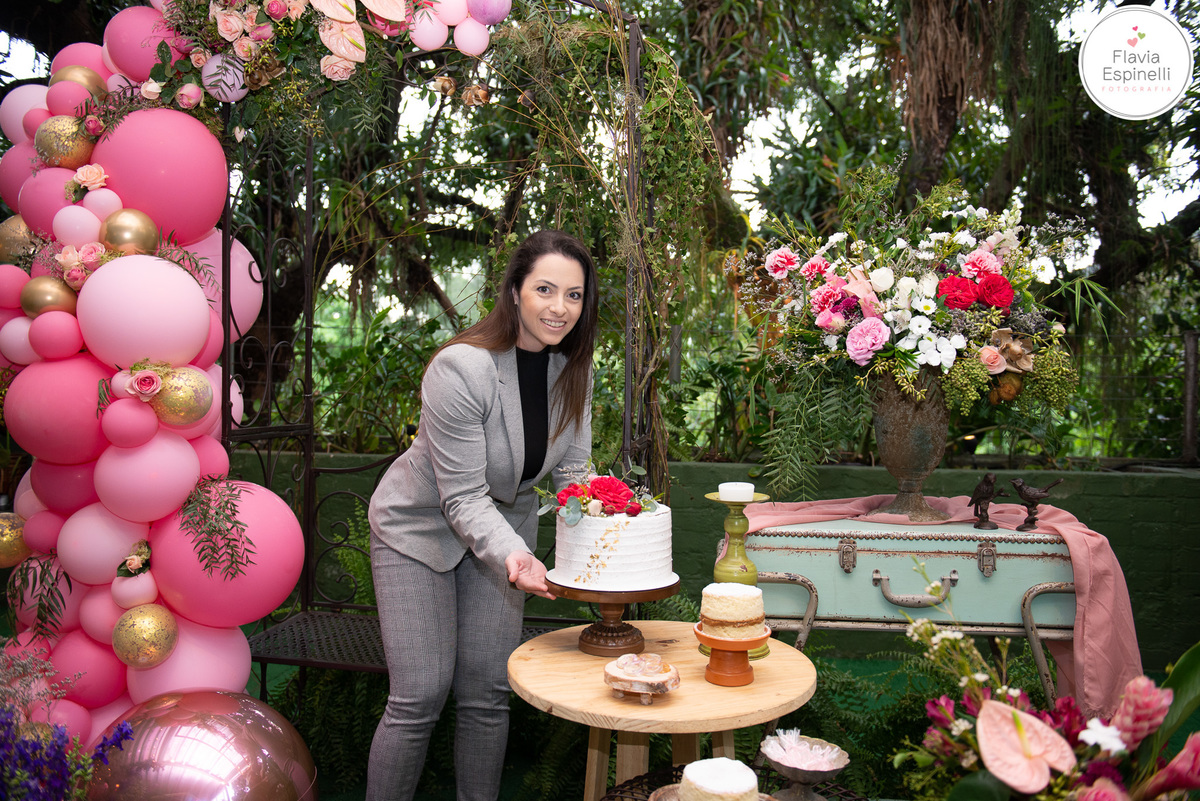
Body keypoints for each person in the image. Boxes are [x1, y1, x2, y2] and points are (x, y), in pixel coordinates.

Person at [366, 230, 598, 801]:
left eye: (573, 295)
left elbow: (574, 475)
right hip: (418, 531)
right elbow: (464, 496)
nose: (559, 307)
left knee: (487, 693)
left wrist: (605, 533)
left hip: (506, 532)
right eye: (545, 289)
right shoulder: (461, 368)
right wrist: (518, 558)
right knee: (419, 695)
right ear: (515, 290)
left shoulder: (574, 370)